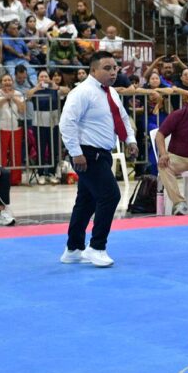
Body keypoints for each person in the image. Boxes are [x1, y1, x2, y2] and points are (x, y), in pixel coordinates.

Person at [59, 51, 138, 267]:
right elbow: (67, 123)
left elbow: (122, 117)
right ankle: (97, 246)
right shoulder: (82, 92)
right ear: (93, 70)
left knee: (86, 201)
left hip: (102, 153)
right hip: (87, 154)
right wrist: (75, 152)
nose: (113, 72)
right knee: (110, 196)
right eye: (107, 68)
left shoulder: (111, 92)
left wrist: (130, 140)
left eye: (115, 68)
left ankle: (74, 248)